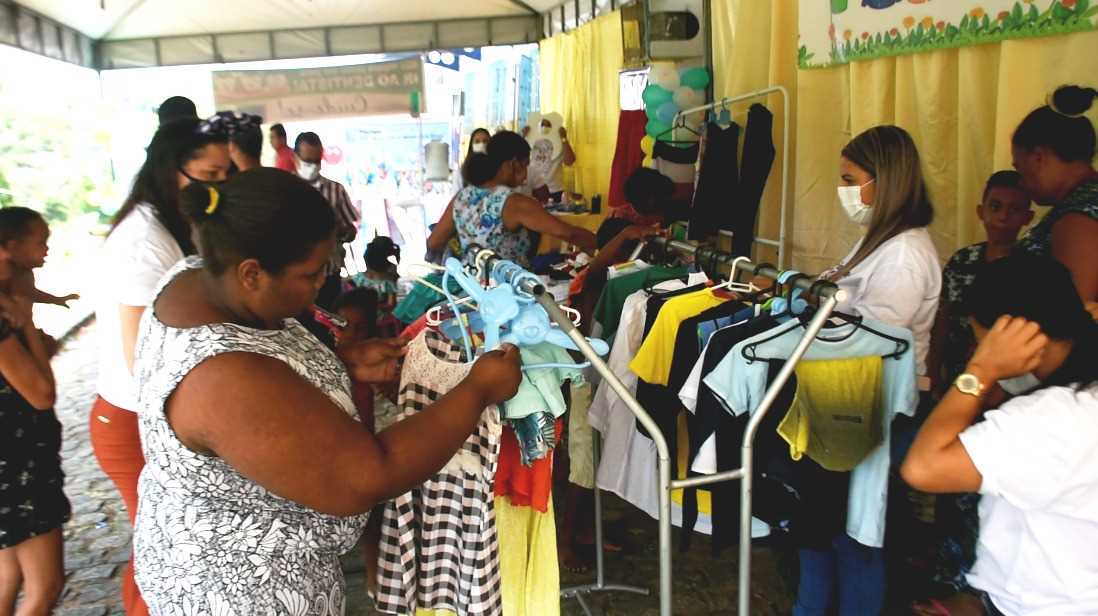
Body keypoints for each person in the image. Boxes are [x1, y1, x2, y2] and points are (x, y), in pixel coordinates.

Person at [131, 168, 521, 614]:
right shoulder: (223, 377)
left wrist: (340, 365)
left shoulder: (203, 276)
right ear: (252, 273)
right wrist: (476, 390)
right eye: (312, 274)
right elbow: (369, 474)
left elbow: (276, 376)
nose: (322, 284)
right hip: (242, 591)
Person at [794, 125, 939, 616]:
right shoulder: (876, 242)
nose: (845, 191)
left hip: (872, 408)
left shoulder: (905, 255)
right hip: (840, 402)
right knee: (820, 532)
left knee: (856, 537)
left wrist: (814, 314)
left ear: (886, 180)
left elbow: (872, 340)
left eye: (850, 179)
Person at [902, 254, 1098, 616]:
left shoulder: (1052, 419)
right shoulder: (1079, 396)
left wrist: (980, 371)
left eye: (983, 343)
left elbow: (923, 467)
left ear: (1017, 336)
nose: (977, 352)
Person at [90, 116, 230, 616]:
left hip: (159, 417)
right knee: (162, 552)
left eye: (225, 175)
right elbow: (142, 359)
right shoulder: (143, 240)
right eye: (210, 177)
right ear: (174, 171)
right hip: (134, 421)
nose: (220, 187)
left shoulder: (173, 226)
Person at [0, 210, 69, 616]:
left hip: (17, 458)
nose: (46, 248)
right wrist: (28, 328)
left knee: (10, 576)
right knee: (46, 586)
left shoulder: (15, 290)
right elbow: (42, 393)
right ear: (7, 249)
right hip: (17, 465)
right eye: (39, 239)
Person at [928, 171, 1033, 394]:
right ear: (980, 211)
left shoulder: (1031, 267)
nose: (1003, 216)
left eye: (1014, 209)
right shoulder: (962, 259)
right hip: (957, 373)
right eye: (995, 207)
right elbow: (943, 318)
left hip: (1007, 383)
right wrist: (933, 369)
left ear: (1028, 217)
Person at [426, 131, 597, 267]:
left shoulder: (462, 197)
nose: (525, 176)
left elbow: (434, 242)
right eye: (526, 165)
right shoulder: (513, 202)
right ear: (514, 164)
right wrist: (603, 243)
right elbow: (566, 233)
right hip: (508, 295)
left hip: (469, 290)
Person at [1011, 84, 1098, 302]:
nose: (1021, 183)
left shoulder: (1078, 221)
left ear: (1038, 158)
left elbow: (1074, 319)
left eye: (1019, 169)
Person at [294, 131, 359, 309]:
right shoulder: (284, 188)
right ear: (296, 156)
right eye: (308, 161)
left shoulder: (336, 190)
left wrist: (339, 230)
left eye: (316, 161)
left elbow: (351, 232)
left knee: (330, 325)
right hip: (292, 275)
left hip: (328, 274)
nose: (313, 166)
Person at [0, 206, 79, 310]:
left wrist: (56, 300)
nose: (47, 248)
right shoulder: (5, 273)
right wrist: (9, 306)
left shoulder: (24, 273)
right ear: (14, 247)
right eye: (41, 243)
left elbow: (31, 293)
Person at [522, 117, 576, 204]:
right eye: (542, 125)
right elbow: (516, 157)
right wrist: (523, 136)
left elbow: (569, 161)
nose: (544, 128)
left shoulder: (559, 141)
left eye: (547, 125)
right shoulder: (530, 139)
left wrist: (564, 139)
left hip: (555, 190)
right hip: (534, 189)